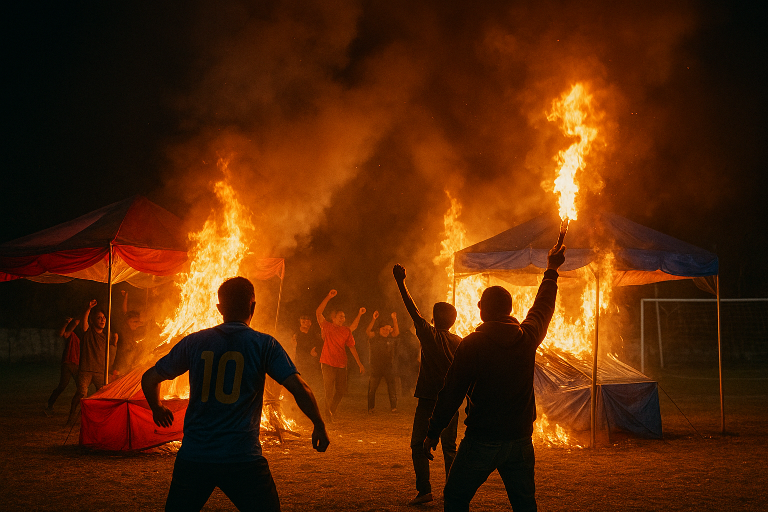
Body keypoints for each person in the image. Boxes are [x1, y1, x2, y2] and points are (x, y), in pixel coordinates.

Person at [141, 276, 330, 512]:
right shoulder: (264, 344)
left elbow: (149, 378)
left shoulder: (194, 342)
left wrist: (157, 408)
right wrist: (319, 425)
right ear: (253, 306)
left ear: (219, 308)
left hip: (195, 457)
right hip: (242, 459)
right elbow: (300, 388)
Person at [423, 235, 566, 512]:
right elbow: (543, 307)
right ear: (510, 310)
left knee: (455, 499)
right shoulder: (527, 337)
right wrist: (552, 270)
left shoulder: (472, 344)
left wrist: (432, 432)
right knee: (524, 505)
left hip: (482, 439)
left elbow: (451, 392)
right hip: (520, 439)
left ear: (481, 310)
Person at [393, 264, 462, 506]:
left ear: (433, 319)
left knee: (418, 443)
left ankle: (425, 491)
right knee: (449, 448)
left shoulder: (429, 335)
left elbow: (413, 311)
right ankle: (453, 491)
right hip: (451, 402)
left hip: (428, 401)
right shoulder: (460, 342)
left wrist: (401, 283)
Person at [315, 289, 366, 422]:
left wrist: (359, 363)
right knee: (328, 390)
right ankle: (327, 414)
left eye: (344, 317)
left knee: (341, 390)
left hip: (341, 364)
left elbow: (352, 347)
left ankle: (331, 409)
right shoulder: (326, 326)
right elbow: (318, 312)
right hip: (327, 362)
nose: (342, 318)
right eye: (340, 316)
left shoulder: (346, 330)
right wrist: (328, 297)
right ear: (334, 317)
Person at [66, 300, 118, 427]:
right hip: (86, 370)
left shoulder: (106, 337)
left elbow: (111, 358)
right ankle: (71, 416)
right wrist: (88, 309)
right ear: (92, 320)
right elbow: (84, 324)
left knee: (104, 395)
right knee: (82, 393)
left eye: (104, 318)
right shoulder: (88, 333)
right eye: (99, 318)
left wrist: (115, 343)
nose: (102, 320)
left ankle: (100, 419)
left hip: (100, 371)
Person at [44, 317, 81, 415]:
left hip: (78, 364)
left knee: (81, 388)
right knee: (62, 386)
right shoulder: (71, 334)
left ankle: (79, 409)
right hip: (68, 363)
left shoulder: (84, 334)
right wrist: (66, 323)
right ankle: (50, 405)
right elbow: (62, 334)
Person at [365, 311, 399, 413]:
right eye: (384, 329)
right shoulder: (374, 336)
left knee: (391, 387)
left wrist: (394, 319)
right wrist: (374, 319)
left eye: (388, 329)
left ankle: (394, 407)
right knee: (372, 389)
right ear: (379, 329)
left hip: (388, 367)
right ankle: (371, 408)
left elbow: (396, 332)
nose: (386, 331)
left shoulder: (390, 337)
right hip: (376, 367)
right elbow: (367, 331)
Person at [292, 314, 321, 388]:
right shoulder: (296, 334)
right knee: (299, 383)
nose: (306, 323)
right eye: (303, 321)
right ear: (300, 322)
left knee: (310, 384)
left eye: (308, 321)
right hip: (299, 363)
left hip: (311, 364)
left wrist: (315, 352)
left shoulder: (314, 335)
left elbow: (319, 346)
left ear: (310, 323)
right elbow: (292, 348)